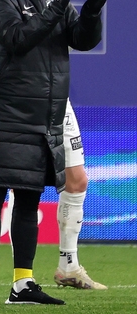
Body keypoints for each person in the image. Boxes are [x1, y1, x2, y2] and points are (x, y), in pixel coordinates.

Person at [0, 0, 107, 306]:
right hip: (3, 108)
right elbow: (17, 39)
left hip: (43, 112)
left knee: (29, 199)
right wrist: (57, 7)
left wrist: (91, 13)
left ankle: (23, 284)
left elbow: (79, 40)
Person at [54, 100, 106, 290]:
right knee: (22, 182)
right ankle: (22, 277)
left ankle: (69, 266)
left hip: (57, 98)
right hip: (18, 93)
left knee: (77, 181)